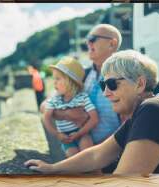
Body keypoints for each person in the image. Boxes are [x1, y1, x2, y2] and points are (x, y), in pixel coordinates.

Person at [25, 50, 159, 176]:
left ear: (139, 84)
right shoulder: (147, 109)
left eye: (111, 84)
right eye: (103, 85)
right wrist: (52, 168)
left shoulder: (152, 110)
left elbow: (125, 183)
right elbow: (97, 155)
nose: (105, 93)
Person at [40, 24, 123, 172]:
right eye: (87, 39)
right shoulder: (83, 75)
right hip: (82, 154)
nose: (88, 43)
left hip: (111, 158)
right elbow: (45, 104)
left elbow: (130, 121)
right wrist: (66, 114)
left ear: (112, 43)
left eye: (93, 39)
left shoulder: (124, 78)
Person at [44, 57, 99, 158]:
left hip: (82, 133)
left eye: (58, 78)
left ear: (70, 82)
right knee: (73, 157)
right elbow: (46, 118)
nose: (54, 82)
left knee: (88, 152)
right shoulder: (54, 100)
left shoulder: (82, 97)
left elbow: (94, 119)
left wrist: (79, 133)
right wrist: (57, 134)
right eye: (54, 79)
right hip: (65, 137)